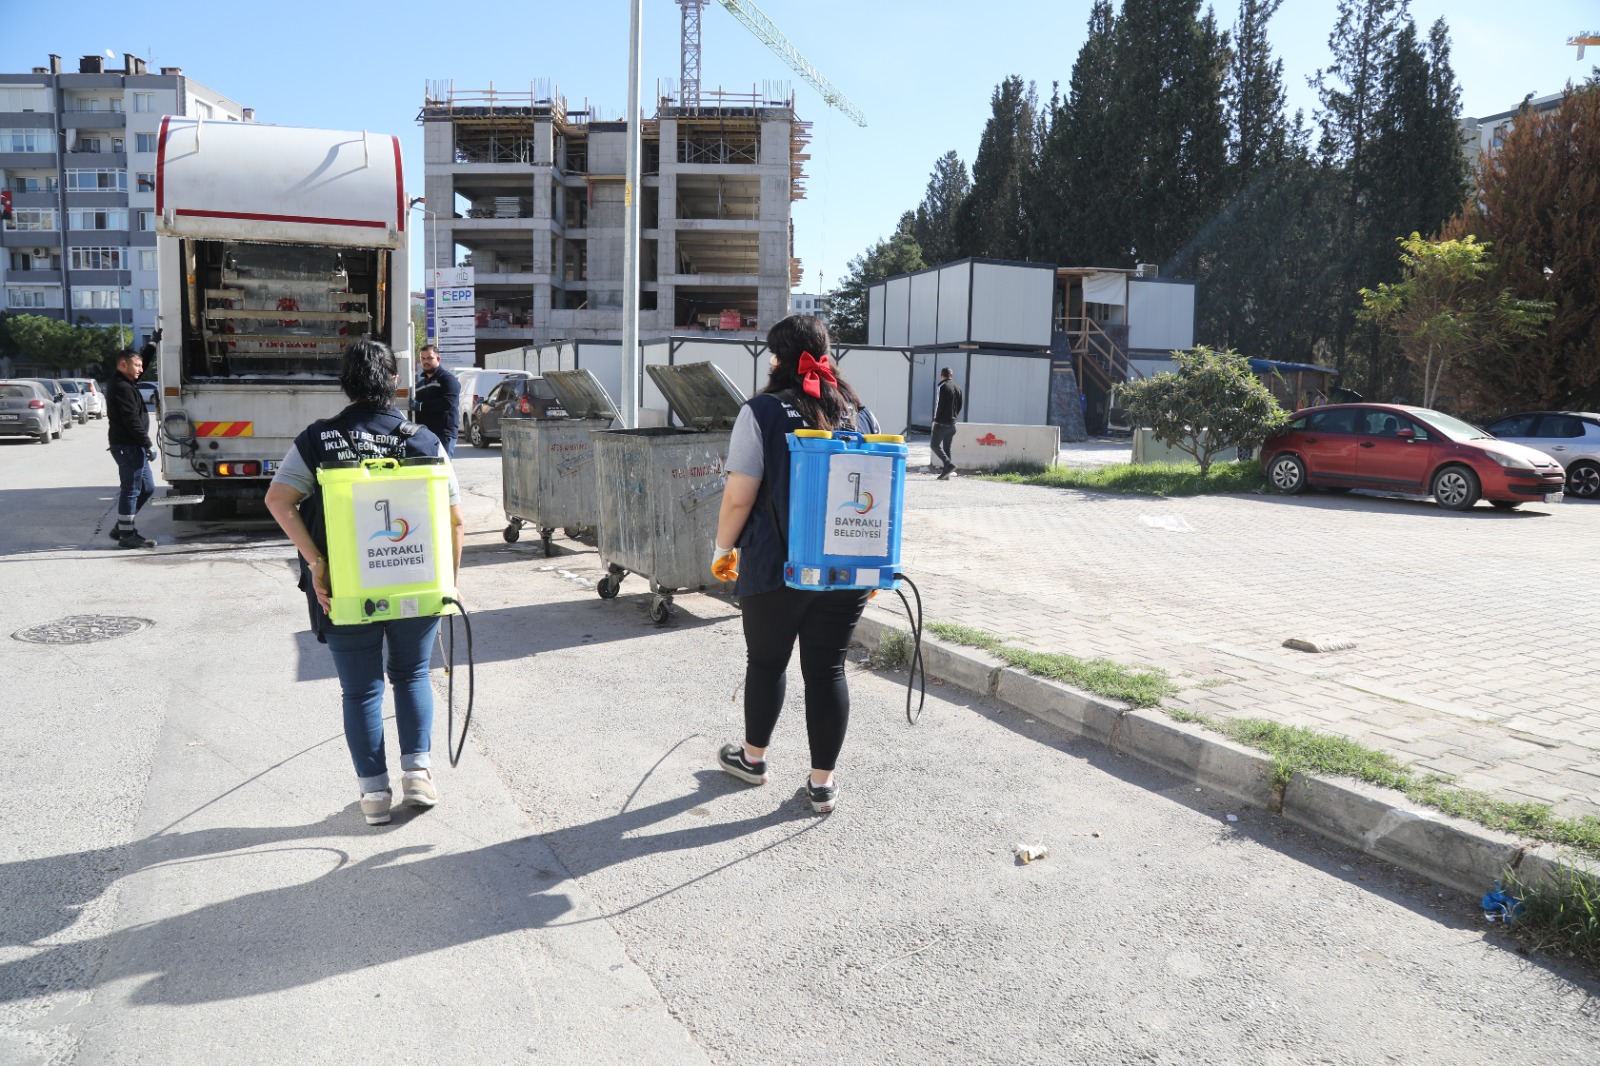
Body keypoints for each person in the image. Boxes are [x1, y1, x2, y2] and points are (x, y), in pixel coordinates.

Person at [264, 340, 465, 826]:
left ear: (346, 384)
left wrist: (316, 564)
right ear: (394, 382)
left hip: (347, 592)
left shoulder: (318, 439)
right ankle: (418, 775)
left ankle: (374, 797)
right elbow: (455, 521)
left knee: (361, 691)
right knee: (413, 676)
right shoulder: (423, 440)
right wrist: (449, 585)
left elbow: (278, 500)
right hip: (416, 584)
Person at [711, 314, 880, 815]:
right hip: (846, 566)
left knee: (767, 662)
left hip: (775, 568)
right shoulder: (860, 412)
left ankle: (753, 759)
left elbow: (739, 499)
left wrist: (723, 550)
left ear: (778, 359)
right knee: (828, 670)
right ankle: (822, 784)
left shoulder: (760, 411)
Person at [106, 344, 158, 549]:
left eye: (141, 365)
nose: (140, 369)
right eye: (137, 366)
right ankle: (126, 535)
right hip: (128, 446)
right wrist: (147, 444)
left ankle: (121, 527)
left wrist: (152, 346)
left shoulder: (124, 380)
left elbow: (137, 360)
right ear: (123, 365)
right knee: (132, 490)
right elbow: (131, 420)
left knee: (147, 487)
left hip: (132, 446)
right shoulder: (122, 387)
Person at [410, 344, 460, 455]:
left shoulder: (447, 379)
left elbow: (448, 403)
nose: (425, 361)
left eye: (429, 358)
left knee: (442, 468)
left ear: (438, 358)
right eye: (423, 358)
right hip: (426, 434)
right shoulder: (420, 384)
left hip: (444, 434)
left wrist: (421, 406)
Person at [931, 366, 963, 480]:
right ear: (951, 376)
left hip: (941, 424)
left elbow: (938, 404)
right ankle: (946, 474)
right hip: (952, 424)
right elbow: (959, 406)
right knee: (946, 448)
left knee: (934, 445)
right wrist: (953, 418)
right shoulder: (958, 388)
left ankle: (948, 465)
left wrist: (936, 419)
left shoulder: (941, 386)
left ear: (942, 376)